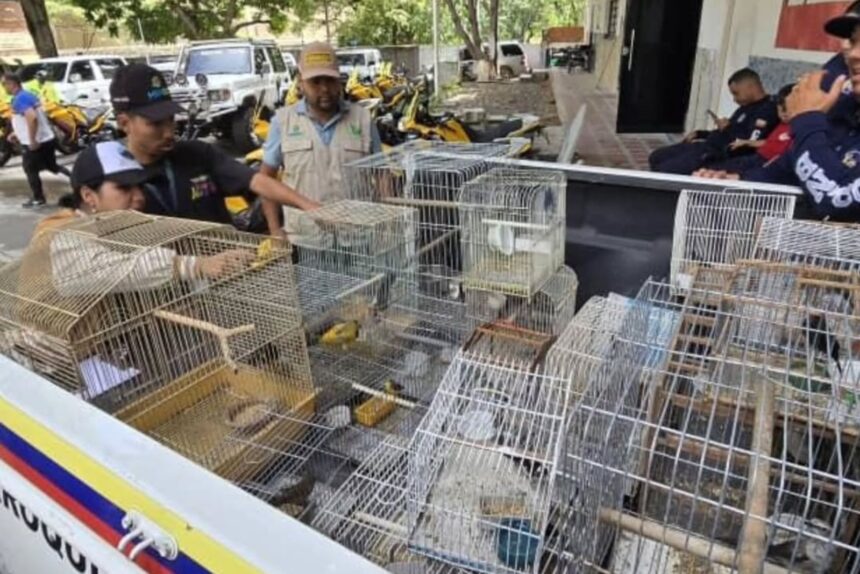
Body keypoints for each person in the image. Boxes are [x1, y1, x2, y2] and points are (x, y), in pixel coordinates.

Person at [108, 63, 320, 226]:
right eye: (155, 124)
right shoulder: (108, 174)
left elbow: (258, 181)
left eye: (171, 119)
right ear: (124, 123)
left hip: (224, 272)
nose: (169, 132)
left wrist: (308, 206)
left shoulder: (198, 153)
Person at [32, 140, 252, 296]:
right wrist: (193, 266)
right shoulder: (56, 232)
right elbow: (111, 270)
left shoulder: (116, 224)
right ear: (89, 195)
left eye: (140, 187)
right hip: (46, 356)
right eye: (124, 188)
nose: (138, 197)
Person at [259, 42, 382, 238]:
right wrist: (275, 230)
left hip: (359, 239)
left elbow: (382, 176)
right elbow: (265, 180)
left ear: (339, 81)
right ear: (300, 82)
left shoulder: (363, 120)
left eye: (330, 80)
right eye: (315, 81)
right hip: (306, 241)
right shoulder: (282, 122)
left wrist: (387, 226)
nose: (324, 88)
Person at [649, 68, 779, 175]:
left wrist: (728, 128)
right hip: (705, 145)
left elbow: (747, 143)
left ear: (751, 87)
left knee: (664, 170)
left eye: (736, 93)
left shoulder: (767, 110)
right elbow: (726, 131)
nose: (734, 99)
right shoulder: (745, 107)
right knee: (656, 157)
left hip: (717, 154)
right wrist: (700, 134)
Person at [694, 84, 795, 178]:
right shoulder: (781, 125)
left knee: (719, 172)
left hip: (765, 163)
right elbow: (767, 142)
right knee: (711, 167)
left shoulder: (796, 128)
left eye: (786, 109)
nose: (783, 114)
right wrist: (747, 142)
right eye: (780, 110)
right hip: (757, 157)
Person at [2, 73, 71, 208]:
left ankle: (38, 198)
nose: (3, 87)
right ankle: (78, 181)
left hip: (35, 143)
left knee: (30, 169)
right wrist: (17, 133)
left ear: (12, 84)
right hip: (47, 138)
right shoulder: (27, 95)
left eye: (4, 84)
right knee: (52, 166)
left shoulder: (20, 99)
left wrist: (32, 140)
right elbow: (30, 118)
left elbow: (32, 117)